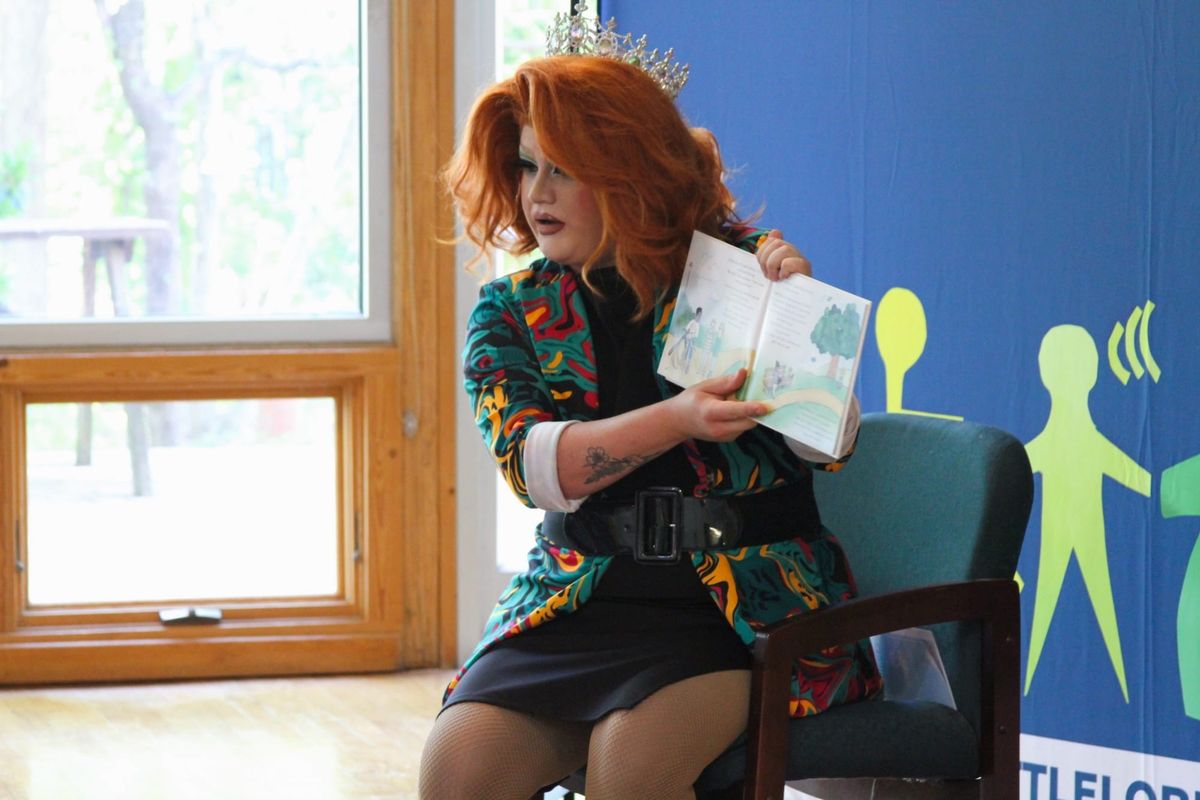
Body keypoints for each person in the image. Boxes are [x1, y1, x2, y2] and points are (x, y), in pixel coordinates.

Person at [419, 10, 881, 800]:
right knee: (456, 769)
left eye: (563, 169)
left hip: (734, 605)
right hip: (577, 595)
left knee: (630, 772)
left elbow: (827, 444)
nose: (537, 195)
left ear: (631, 170)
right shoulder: (510, 311)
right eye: (528, 168)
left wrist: (798, 322)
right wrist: (677, 419)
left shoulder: (737, 275)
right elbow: (540, 472)